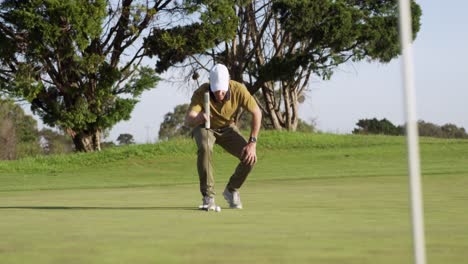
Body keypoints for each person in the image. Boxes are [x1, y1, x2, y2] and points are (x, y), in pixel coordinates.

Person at [185, 64, 262, 210]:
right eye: (216, 90)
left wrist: (252, 142)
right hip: (205, 127)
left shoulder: (238, 89)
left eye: (222, 90)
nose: (219, 93)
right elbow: (188, 120)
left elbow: (257, 112)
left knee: (250, 158)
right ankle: (208, 196)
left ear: (228, 82)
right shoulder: (201, 92)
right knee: (205, 148)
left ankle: (231, 190)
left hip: (227, 127)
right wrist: (198, 118)